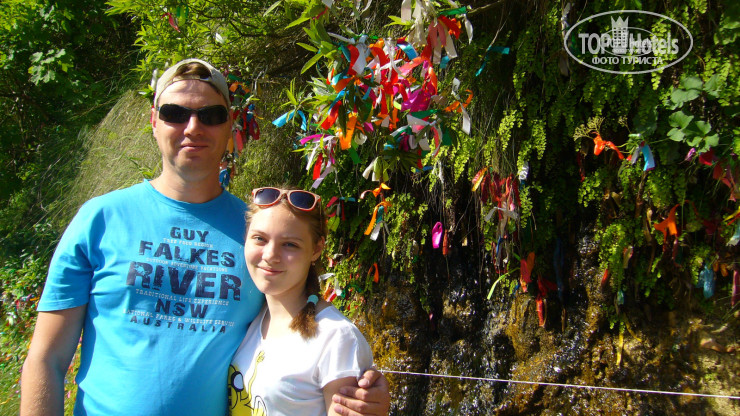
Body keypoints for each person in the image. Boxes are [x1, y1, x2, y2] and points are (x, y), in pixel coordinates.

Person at [20, 58, 390, 416]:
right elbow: (46, 359)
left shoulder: (257, 234)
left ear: (230, 126)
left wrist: (357, 387)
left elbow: (301, 325)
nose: (193, 127)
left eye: (210, 115)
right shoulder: (100, 219)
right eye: (175, 113)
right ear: (154, 121)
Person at [229, 187, 373, 415]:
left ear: (316, 249)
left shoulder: (337, 338)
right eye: (260, 239)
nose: (270, 255)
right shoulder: (254, 318)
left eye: (290, 244)